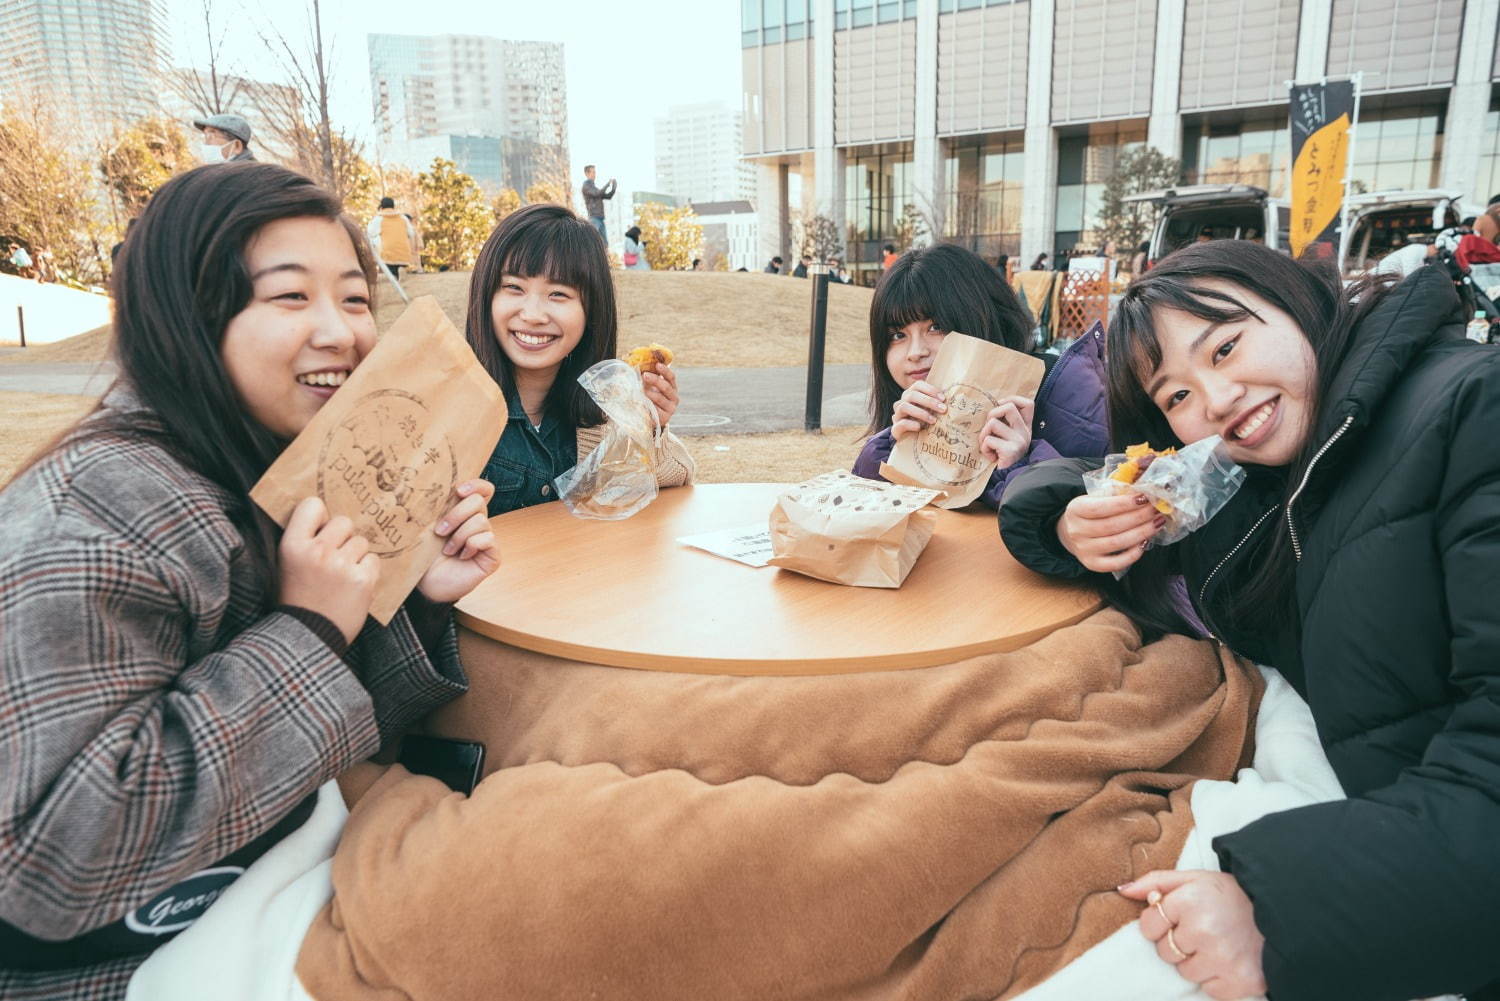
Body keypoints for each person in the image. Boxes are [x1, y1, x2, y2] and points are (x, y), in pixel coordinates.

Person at [0, 163, 495, 999]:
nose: (341, 331)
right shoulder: (100, 512)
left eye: (354, 296)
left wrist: (412, 594)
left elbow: (318, 730)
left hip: (287, 853)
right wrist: (308, 629)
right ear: (189, 316)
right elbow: (49, 859)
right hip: (156, 958)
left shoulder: (257, 459)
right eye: (290, 297)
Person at [998, 240, 1500, 1001]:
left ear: (1297, 298)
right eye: (1177, 396)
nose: (1218, 399)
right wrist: (1065, 523)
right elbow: (1095, 472)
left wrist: (1279, 909)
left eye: (1226, 346)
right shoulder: (1264, 474)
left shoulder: (1469, 409)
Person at [464, 203, 694, 518]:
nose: (532, 315)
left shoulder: (600, 409)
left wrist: (649, 427)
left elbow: (678, 474)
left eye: (558, 294)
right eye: (514, 288)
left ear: (592, 311)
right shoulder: (448, 405)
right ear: (486, 296)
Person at [851, 243, 1106, 510]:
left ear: (981, 314)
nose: (915, 353)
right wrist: (894, 449)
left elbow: (1095, 523)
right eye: (898, 335)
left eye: (936, 327)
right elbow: (863, 519)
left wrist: (1018, 466)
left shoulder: (1072, 397)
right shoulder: (905, 423)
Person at [366, 197, 420, 280]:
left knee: (388, 263)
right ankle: (401, 269)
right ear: (393, 206)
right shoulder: (403, 218)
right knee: (401, 262)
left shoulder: (379, 219)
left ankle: (394, 274)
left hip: (388, 251)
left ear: (382, 207)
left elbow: (371, 232)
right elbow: (411, 233)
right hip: (403, 251)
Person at [580, 165, 616, 242]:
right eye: (592, 172)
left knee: (604, 244)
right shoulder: (586, 186)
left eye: (595, 172)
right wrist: (608, 184)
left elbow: (608, 196)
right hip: (594, 218)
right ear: (587, 173)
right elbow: (597, 193)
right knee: (593, 241)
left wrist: (613, 188)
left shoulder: (593, 187)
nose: (594, 174)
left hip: (600, 218)